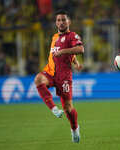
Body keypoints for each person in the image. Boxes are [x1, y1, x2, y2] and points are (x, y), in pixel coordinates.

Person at [34, 10, 84, 143]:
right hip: (50, 72)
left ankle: (74, 128)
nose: (61, 22)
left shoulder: (72, 35)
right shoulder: (54, 37)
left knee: (68, 108)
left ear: (69, 22)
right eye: (59, 20)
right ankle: (53, 108)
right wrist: (75, 61)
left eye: (64, 20)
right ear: (56, 22)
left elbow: (80, 49)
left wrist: (64, 52)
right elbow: (69, 54)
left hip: (64, 76)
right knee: (38, 79)